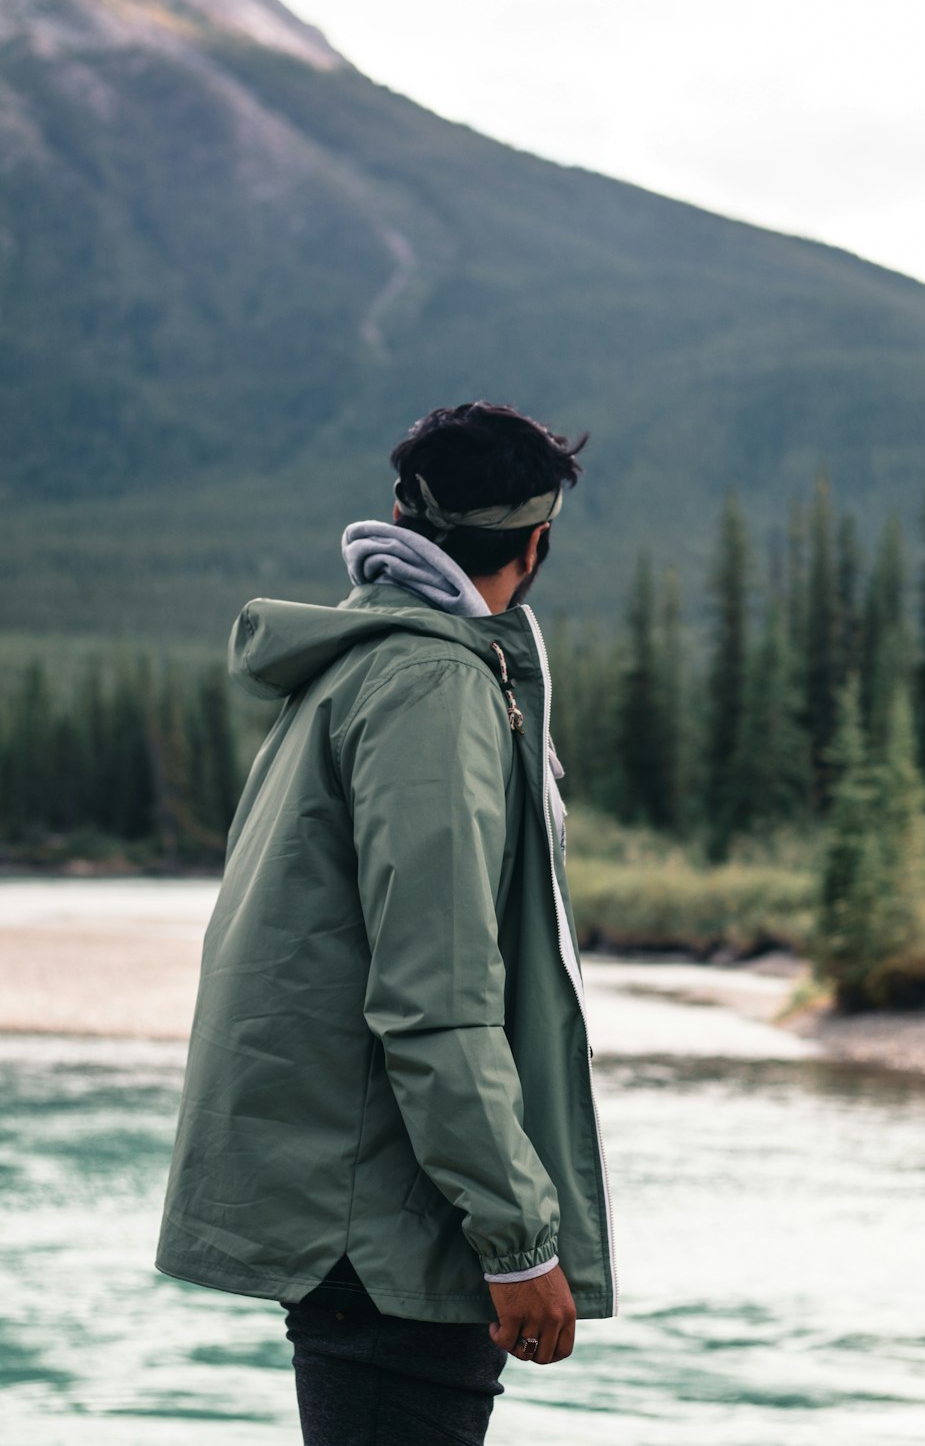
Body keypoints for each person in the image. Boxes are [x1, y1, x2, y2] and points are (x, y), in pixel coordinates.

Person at [155, 401, 618, 1445]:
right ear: (537, 545)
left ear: (399, 517)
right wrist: (519, 1242)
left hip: (357, 1211)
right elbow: (435, 994)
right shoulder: (432, 682)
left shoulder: (354, 662)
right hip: (389, 1229)